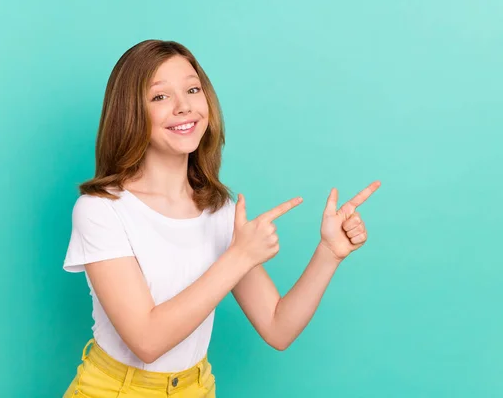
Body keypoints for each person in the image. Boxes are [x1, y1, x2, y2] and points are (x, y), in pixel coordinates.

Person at [61, 39, 381, 398]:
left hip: (196, 388)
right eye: (160, 97)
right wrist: (241, 255)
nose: (184, 107)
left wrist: (329, 254)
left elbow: (278, 327)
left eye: (192, 89)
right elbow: (146, 342)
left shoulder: (219, 211)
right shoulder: (101, 210)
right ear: (131, 111)